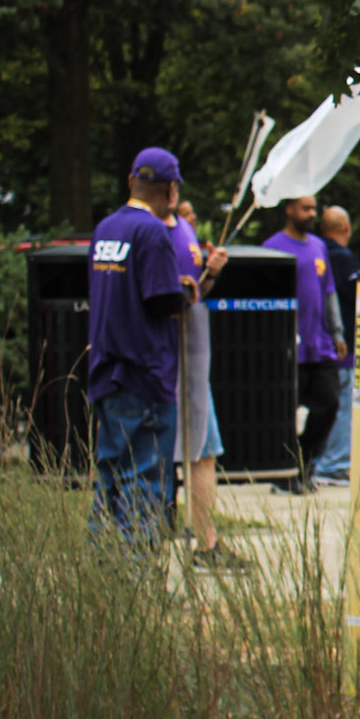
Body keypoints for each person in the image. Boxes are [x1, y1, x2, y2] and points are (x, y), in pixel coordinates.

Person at [87, 149, 188, 546]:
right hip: (145, 373)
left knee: (109, 477)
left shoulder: (106, 229)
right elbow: (162, 300)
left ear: (131, 182)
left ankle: (101, 574)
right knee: (144, 482)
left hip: (107, 371)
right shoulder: (153, 234)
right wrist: (186, 289)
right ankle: (137, 582)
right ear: (170, 190)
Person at [167, 198, 242, 569]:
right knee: (189, 452)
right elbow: (173, 301)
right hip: (181, 367)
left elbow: (193, 295)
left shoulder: (187, 245)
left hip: (196, 366)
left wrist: (208, 274)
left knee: (206, 451)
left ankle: (207, 542)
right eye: (185, 213)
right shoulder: (166, 242)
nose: (192, 219)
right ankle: (199, 542)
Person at [262, 192, 344, 493]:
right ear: (289, 209)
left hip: (319, 344)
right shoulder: (273, 248)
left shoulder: (319, 246)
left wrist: (337, 333)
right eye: (305, 208)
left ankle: (305, 464)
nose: (311, 214)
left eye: (314, 209)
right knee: (284, 411)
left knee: (329, 403)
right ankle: (285, 472)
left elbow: (329, 291)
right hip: (287, 348)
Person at [311, 206, 360, 486]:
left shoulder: (315, 253)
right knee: (343, 405)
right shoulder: (343, 259)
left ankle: (318, 459)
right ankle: (335, 464)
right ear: (346, 227)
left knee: (324, 405)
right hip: (344, 345)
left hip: (319, 343)